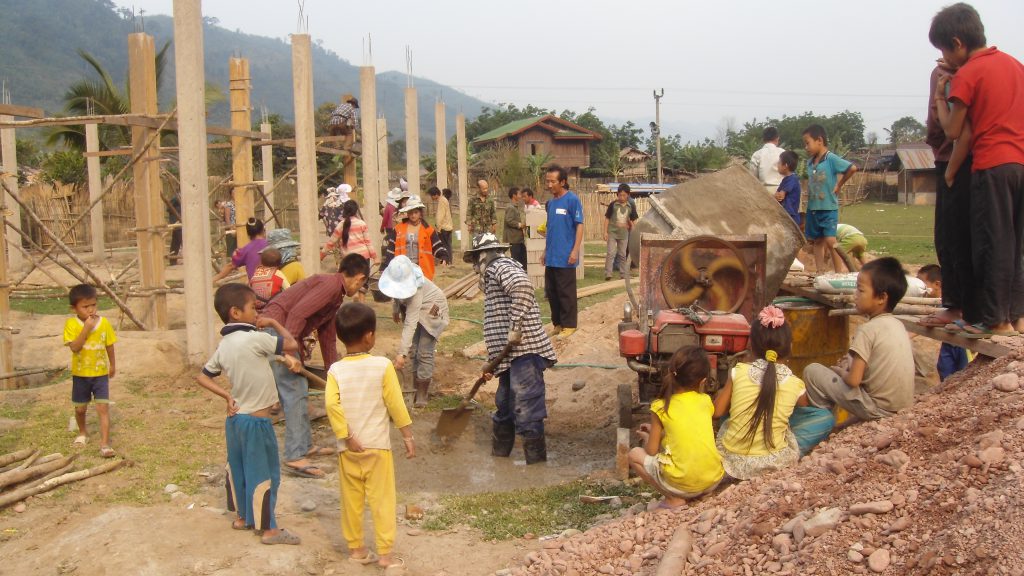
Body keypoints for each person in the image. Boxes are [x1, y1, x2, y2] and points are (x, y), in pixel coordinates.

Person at [930, 2, 1024, 337]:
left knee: (991, 243)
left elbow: (956, 132)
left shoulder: (968, 73)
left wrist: (942, 95)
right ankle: (1016, 317)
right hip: (1019, 163)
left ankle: (995, 321)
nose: (946, 58)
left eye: (944, 49)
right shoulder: (1015, 65)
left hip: (991, 166)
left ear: (957, 43)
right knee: (1015, 243)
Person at [196, 284, 303, 545]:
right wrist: (275, 324)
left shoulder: (225, 344)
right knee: (265, 473)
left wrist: (226, 396)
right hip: (257, 422)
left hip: (236, 419)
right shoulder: (256, 338)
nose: (257, 314)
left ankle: (243, 517)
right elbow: (291, 343)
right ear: (235, 312)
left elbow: (202, 376)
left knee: (240, 468)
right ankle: (269, 530)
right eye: (253, 308)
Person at [260, 253, 371, 478]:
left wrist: (334, 373)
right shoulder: (329, 285)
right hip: (277, 331)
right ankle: (294, 456)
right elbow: (297, 314)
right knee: (294, 392)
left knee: (300, 390)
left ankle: (305, 445)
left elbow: (327, 337)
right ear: (359, 278)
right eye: (362, 284)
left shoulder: (335, 296)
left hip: (286, 333)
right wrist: (289, 352)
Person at [325, 302, 415, 569]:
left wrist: (346, 435)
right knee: (382, 500)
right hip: (377, 447)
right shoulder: (382, 366)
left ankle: (357, 549)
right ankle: (385, 554)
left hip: (348, 450)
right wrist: (407, 436)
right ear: (369, 336)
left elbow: (331, 405)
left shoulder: (335, 370)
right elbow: (395, 404)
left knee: (351, 501)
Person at [712, 306, 834, 480]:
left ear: (750, 346)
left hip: (732, 460)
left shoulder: (738, 371)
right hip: (773, 462)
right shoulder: (795, 383)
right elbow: (805, 406)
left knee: (730, 411)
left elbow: (716, 412)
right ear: (790, 347)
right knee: (825, 417)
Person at [466, 233, 557, 464]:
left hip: (524, 351)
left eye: (477, 259)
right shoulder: (495, 273)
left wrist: (516, 325)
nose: (476, 266)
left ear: (483, 256)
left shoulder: (500, 266)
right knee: (504, 407)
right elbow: (497, 321)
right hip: (508, 357)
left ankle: (536, 467)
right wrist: (492, 361)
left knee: (526, 406)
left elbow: (523, 286)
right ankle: (500, 460)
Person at [803, 257, 915, 421]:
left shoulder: (867, 330)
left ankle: (821, 425)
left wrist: (840, 372)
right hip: (902, 408)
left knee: (813, 372)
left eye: (860, 290)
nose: (855, 295)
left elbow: (854, 380)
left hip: (878, 409)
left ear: (881, 298)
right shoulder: (898, 325)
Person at [626, 346, 724, 508]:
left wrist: (649, 438)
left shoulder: (660, 406)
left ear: (671, 373)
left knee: (634, 455)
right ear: (703, 381)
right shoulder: (706, 401)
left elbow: (651, 451)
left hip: (680, 485)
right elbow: (688, 430)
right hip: (712, 481)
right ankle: (703, 493)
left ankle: (673, 498)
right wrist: (661, 434)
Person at [920, 57, 974, 331]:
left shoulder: (953, 75)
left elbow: (954, 129)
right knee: (952, 235)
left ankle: (957, 305)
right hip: (952, 158)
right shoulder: (951, 72)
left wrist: (951, 171)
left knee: (953, 236)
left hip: (954, 159)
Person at [378, 255, 449, 407]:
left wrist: (401, 353)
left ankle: (422, 394)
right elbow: (396, 293)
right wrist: (396, 309)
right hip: (417, 311)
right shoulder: (399, 282)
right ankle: (415, 388)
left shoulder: (417, 288)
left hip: (433, 310)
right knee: (414, 349)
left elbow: (410, 322)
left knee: (424, 352)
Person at [64, 283, 118, 458]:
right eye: (85, 306)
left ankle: (105, 443)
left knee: (103, 407)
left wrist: (113, 365)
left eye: (93, 305)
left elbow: (109, 345)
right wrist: (86, 328)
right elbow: (75, 347)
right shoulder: (71, 325)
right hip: (80, 375)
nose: (90, 310)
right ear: (74, 308)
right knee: (80, 409)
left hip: (100, 374)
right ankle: (83, 432)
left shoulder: (104, 324)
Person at [802, 124, 858, 273]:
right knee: (817, 241)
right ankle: (820, 271)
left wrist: (839, 184)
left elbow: (852, 168)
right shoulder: (810, 162)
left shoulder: (831, 159)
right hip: (813, 208)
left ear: (819, 140)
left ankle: (838, 272)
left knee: (830, 241)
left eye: (808, 143)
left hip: (828, 208)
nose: (806, 147)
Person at [541, 165, 584, 338]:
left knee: (566, 292)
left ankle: (570, 325)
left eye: (553, 181)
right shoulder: (550, 203)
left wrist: (575, 251)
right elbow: (550, 229)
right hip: (551, 256)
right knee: (552, 293)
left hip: (566, 256)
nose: (549, 185)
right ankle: (557, 323)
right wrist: (545, 251)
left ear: (563, 182)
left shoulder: (572, 200)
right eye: (547, 181)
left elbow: (579, 225)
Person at [918, 264, 974, 380]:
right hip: (947, 342)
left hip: (962, 344)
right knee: (944, 370)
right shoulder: (931, 303)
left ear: (937, 284)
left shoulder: (951, 303)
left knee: (965, 373)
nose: (920, 287)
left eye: (923, 283)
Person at [383, 195, 448, 281]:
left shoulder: (428, 229)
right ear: (407, 213)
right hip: (402, 270)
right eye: (410, 212)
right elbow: (391, 250)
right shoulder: (398, 229)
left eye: (416, 212)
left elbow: (437, 245)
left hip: (422, 271)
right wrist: (385, 266)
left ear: (420, 213)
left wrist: (443, 256)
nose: (413, 215)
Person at [213, 218, 269, 283]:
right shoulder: (272, 245)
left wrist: (215, 279)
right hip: (273, 284)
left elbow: (230, 266)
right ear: (263, 230)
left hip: (255, 286)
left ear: (248, 234)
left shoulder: (246, 249)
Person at [322, 200, 377, 265]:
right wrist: (375, 257)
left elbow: (331, 243)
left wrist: (322, 254)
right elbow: (368, 243)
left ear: (344, 210)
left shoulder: (340, 225)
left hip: (349, 259)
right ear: (356, 211)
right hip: (363, 258)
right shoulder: (362, 224)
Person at [603, 183, 638, 281]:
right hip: (612, 232)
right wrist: (605, 232)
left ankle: (623, 274)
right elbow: (607, 218)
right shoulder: (613, 205)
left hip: (624, 234)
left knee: (622, 255)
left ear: (628, 195)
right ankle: (608, 274)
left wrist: (635, 231)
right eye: (620, 195)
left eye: (624, 195)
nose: (622, 197)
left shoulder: (630, 206)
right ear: (617, 194)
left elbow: (634, 220)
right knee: (610, 253)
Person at [749, 126, 786, 194]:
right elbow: (789, 174)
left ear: (763, 140)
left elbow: (753, 178)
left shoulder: (757, 154)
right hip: (782, 193)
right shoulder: (783, 153)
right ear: (777, 138)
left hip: (763, 194)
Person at [775, 151, 802, 227]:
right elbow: (777, 194)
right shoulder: (786, 179)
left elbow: (780, 195)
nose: (777, 165)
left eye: (779, 163)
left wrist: (777, 195)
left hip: (790, 216)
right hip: (786, 215)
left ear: (785, 166)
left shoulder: (792, 179)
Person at [428, 186, 454, 265]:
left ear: (435, 194)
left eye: (431, 195)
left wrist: (438, 228)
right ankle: (449, 261)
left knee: (444, 245)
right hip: (448, 226)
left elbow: (440, 216)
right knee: (448, 245)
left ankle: (447, 260)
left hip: (444, 227)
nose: (431, 197)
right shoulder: (444, 200)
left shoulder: (441, 201)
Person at [504, 187, 528, 270]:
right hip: (514, 238)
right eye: (519, 194)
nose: (521, 196)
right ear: (514, 195)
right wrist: (519, 225)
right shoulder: (510, 207)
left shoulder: (514, 207)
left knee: (523, 259)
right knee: (516, 260)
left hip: (518, 239)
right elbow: (509, 220)